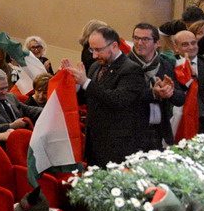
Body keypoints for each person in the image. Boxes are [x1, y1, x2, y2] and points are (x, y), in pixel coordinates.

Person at [59, 26, 147, 166]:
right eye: (92, 50)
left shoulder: (131, 70)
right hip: (94, 142)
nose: (94, 55)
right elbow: (89, 97)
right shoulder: (96, 66)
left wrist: (86, 82)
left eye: (98, 50)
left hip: (117, 145)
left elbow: (117, 100)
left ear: (114, 45)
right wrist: (73, 82)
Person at [127, 23, 184, 151]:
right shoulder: (125, 65)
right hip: (132, 132)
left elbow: (180, 99)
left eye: (145, 39)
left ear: (157, 43)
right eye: (136, 38)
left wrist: (169, 92)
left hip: (157, 131)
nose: (139, 43)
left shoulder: (165, 65)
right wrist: (153, 93)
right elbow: (126, 97)